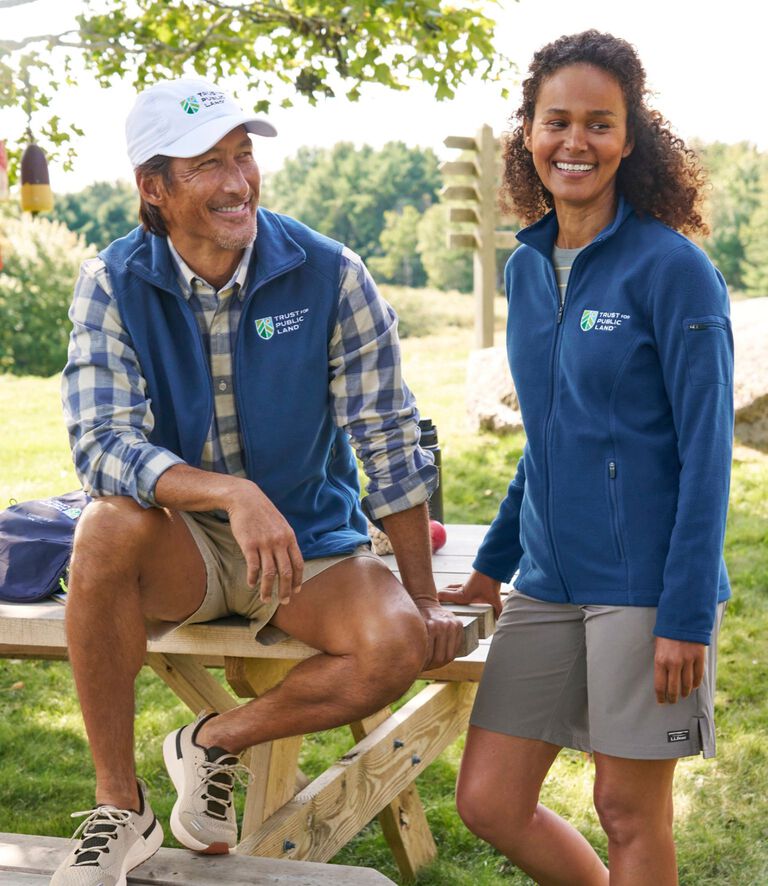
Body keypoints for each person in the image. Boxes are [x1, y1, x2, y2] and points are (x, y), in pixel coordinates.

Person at [52, 77, 463, 885]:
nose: (238, 182)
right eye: (208, 164)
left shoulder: (332, 272)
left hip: (307, 544)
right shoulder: (112, 281)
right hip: (183, 545)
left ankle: (211, 742)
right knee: (103, 525)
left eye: (244, 156)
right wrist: (230, 494)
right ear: (154, 188)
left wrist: (422, 598)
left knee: (394, 645)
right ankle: (119, 807)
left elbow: (386, 438)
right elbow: (100, 445)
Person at [439, 30, 733, 886]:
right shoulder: (528, 270)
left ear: (631, 137)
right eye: (556, 121)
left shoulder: (673, 271)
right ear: (527, 132)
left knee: (627, 810)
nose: (576, 141)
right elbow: (550, 433)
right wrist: (492, 567)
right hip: (548, 581)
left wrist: (685, 613)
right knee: (489, 800)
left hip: (645, 588)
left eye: (599, 124)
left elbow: (708, 454)